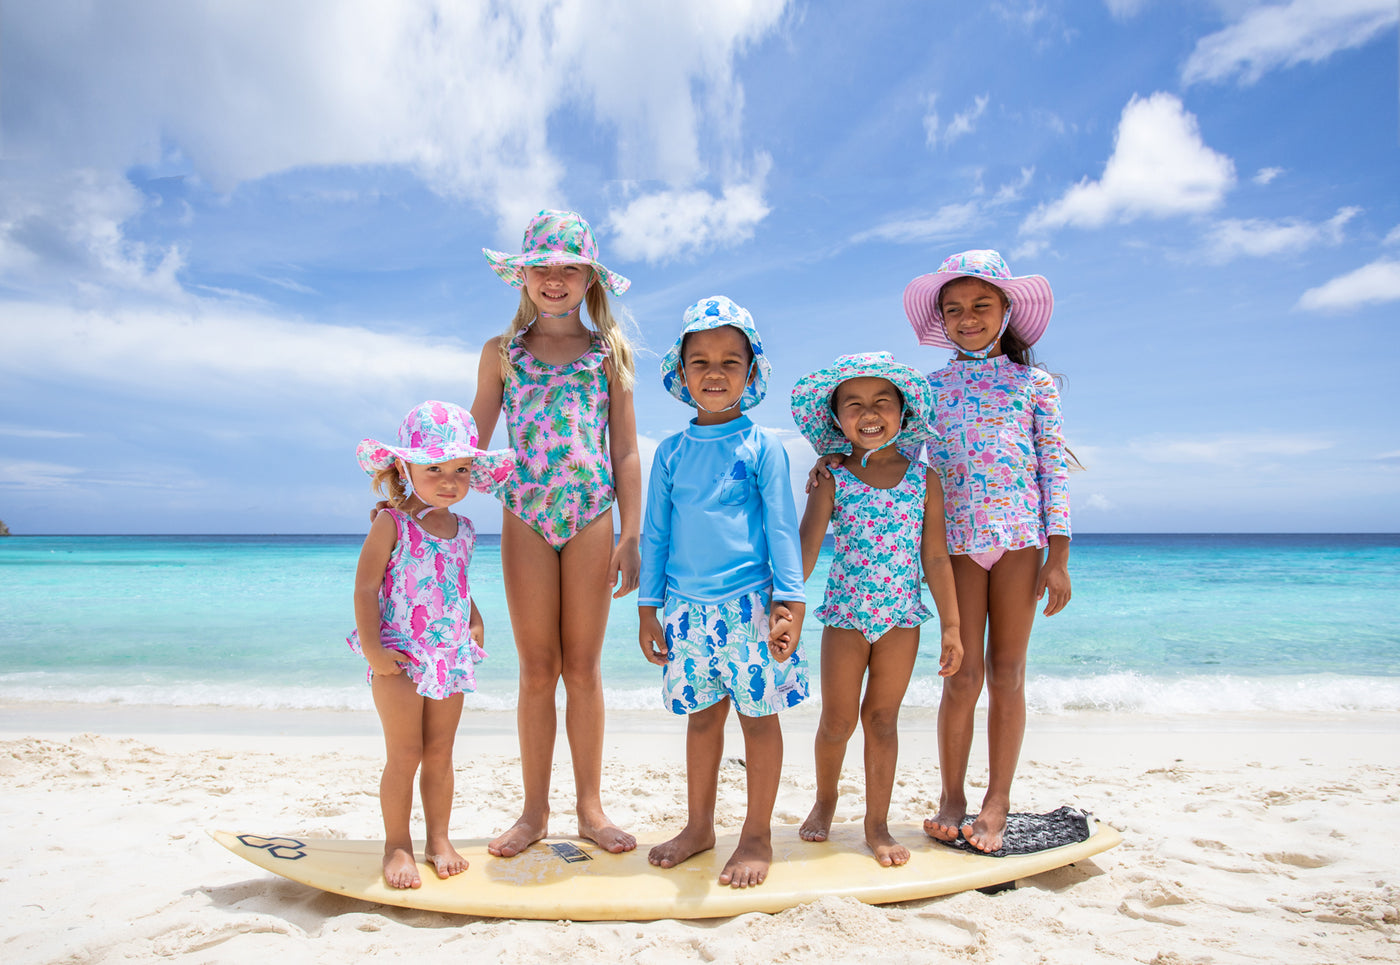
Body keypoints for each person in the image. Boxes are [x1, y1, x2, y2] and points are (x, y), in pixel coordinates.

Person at [471, 209, 641, 858]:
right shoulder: (501, 355)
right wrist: (421, 507)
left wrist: (632, 532)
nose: (554, 278)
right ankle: (534, 810)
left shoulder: (609, 353)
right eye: (541, 266)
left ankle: (591, 808)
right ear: (522, 275)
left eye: (569, 267)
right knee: (538, 669)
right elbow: (471, 445)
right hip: (525, 515)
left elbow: (625, 451)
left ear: (589, 278)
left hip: (593, 513)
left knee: (585, 668)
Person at [903, 249, 1073, 853]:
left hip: (1022, 540)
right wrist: (833, 461)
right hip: (955, 546)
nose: (967, 318)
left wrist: (1059, 555)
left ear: (1006, 311)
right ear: (942, 322)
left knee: (1007, 674)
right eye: (954, 310)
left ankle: (996, 800)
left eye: (980, 305)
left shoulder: (1034, 385)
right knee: (961, 675)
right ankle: (952, 796)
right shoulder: (926, 389)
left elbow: (1052, 467)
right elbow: (898, 457)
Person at [638, 295, 807, 889]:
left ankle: (756, 833)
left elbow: (783, 526)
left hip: (753, 609)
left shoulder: (763, 447)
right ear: (681, 374)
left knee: (759, 721)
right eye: (700, 361)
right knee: (702, 720)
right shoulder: (670, 453)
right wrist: (648, 609)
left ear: (750, 372)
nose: (714, 373)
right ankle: (699, 826)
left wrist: (792, 604)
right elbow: (655, 534)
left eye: (730, 362)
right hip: (685, 613)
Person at [787, 352, 962, 867]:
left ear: (903, 412)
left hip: (902, 618)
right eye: (854, 404)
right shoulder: (833, 478)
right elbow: (807, 546)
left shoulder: (924, 479)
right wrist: (787, 606)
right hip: (844, 616)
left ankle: (876, 824)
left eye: (882, 402)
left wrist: (951, 625)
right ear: (837, 418)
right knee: (837, 721)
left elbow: (935, 555)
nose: (869, 413)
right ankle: (825, 798)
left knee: (882, 721)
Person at [349, 400, 515, 889]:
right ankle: (396, 844)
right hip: (399, 654)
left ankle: (438, 838)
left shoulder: (464, 529)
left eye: (461, 470)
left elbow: (453, 582)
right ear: (405, 468)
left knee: (440, 753)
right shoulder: (392, 523)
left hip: (448, 656)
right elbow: (364, 587)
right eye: (435, 468)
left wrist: (475, 618)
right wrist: (374, 649)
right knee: (406, 753)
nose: (449, 480)